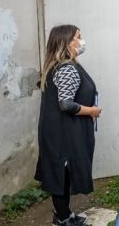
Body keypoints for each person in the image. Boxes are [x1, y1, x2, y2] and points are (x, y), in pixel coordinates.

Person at [35, 25, 102, 226]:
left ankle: (63, 214)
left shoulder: (61, 65)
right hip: (63, 132)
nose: (81, 41)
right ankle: (63, 219)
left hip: (59, 130)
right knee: (62, 173)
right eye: (78, 37)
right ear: (66, 42)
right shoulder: (67, 68)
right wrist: (92, 111)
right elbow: (66, 104)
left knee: (61, 173)